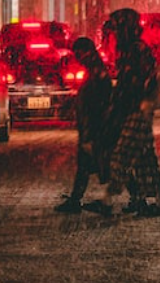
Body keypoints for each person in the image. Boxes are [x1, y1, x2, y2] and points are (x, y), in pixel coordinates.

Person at [83, 8, 160, 218]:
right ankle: (155, 203)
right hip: (137, 109)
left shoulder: (134, 49)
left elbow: (138, 81)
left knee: (121, 157)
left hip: (137, 110)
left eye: (116, 29)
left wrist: (130, 102)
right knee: (146, 159)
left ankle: (108, 201)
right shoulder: (131, 48)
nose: (113, 35)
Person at [55, 37, 113, 214]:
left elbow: (97, 102)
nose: (78, 58)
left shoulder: (96, 72)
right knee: (91, 165)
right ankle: (78, 199)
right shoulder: (93, 69)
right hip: (95, 127)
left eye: (79, 54)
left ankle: (128, 200)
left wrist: (91, 130)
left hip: (96, 128)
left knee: (107, 164)